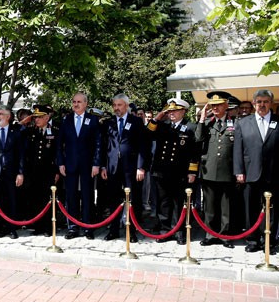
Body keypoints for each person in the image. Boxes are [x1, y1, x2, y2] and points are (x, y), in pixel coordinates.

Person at [147, 98, 199, 244]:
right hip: (162, 170)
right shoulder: (163, 126)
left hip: (179, 172)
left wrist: (192, 172)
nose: (172, 113)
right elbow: (148, 134)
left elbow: (195, 152)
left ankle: (179, 231)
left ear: (183, 111)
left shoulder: (190, 127)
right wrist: (157, 118)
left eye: (175, 110)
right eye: (170, 111)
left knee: (178, 202)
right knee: (164, 202)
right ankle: (165, 230)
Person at [233, 89, 279, 253]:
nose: (262, 105)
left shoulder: (277, 121)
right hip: (250, 174)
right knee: (251, 209)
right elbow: (238, 150)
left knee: (272, 211)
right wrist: (239, 171)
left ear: (271, 103)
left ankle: (270, 241)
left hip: (274, 175)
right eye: (259, 101)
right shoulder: (243, 123)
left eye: (266, 101)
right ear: (253, 104)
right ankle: (252, 240)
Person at [100, 94, 150, 242]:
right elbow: (104, 147)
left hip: (131, 168)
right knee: (113, 200)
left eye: (119, 105)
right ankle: (114, 230)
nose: (116, 108)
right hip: (113, 167)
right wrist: (103, 166)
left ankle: (131, 231)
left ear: (126, 106)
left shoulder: (136, 122)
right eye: (114, 105)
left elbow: (143, 146)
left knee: (132, 200)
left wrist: (141, 167)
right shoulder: (108, 123)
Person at [55, 92, 102, 239]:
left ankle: (88, 227)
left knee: (87, 196)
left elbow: (98, 144)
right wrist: (61, 163)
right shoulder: (66, 120)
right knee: (71, 196)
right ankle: (73, 227)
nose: (76, 104)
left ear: (86, 103)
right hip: (70, 164)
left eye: (79, 102)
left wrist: (96, 164)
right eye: (74, 101)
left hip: (88, 165)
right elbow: (59, 144)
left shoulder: (93, 120)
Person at [195, 91, 236, 248]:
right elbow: (198, 139)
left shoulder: (234, 123)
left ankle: (225, 236)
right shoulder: (207, 124)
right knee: (210, 207)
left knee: (226, 207)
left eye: (219, 105)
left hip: (227, 170)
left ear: (226, 105)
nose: (216, 108)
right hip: (209, 170)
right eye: (213, 105)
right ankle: (210, 234)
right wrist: (202, 118)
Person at [0, 105, 25, 238]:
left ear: (8, 117)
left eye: (1, 114)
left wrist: (20, 173)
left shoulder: (16, 133)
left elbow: (20, 154)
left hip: (11, 173)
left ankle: (11, 228)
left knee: (11, 201)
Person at [23, 106, 59, 234]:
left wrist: (57, 171)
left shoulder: (54, 131)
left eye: (39, 117)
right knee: (35, 198)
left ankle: (48, 227)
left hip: (48, 171)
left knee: (48, 199)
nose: (36, 120)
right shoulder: (31, 131)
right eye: (35, 117)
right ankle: (37, 226)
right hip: (33, 172)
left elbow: (57, 153)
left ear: (47, 118)